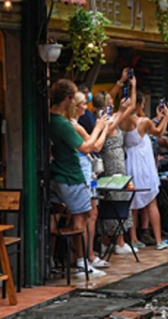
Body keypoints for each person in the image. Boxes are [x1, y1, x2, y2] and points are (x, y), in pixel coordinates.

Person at [48, 79, 103, 279]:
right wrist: (99, 127)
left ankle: (51, 260)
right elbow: (87, 148)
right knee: (81, 217)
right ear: (68, 99)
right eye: (74, 99)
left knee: (55, 218)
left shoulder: (49, 119)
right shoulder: (62, 124)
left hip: (56, 174)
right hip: (71, 175)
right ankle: (81, 263)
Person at [120, 95, 168, 251]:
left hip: (130, 163)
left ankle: (134, 238)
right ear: (140, 104)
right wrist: (166, 117)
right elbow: (158, 131)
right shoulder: (144, 122)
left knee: (133, 203)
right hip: (143, 164)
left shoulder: (123, 121)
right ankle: (158, 239)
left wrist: (156, 117)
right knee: (151, 202)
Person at [66, 89, 109, 272]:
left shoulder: (71, 124)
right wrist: (103, 127)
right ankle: (84, 257)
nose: (86, 106)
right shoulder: (74, 126)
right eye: (83, 103)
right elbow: (94, 146)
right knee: (84, 216)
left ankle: (83, 256)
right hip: (81, 173)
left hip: (81, 172)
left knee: (85, 214)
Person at [94, 87, 136, 256]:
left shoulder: (105, 120)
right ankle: (118, 240)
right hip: (113, 162)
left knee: (113, 196)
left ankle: (109, 239)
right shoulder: (108, 122)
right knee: (116, 196)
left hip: (115, 159)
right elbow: (129, 108)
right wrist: (130, 92)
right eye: (110, 102)